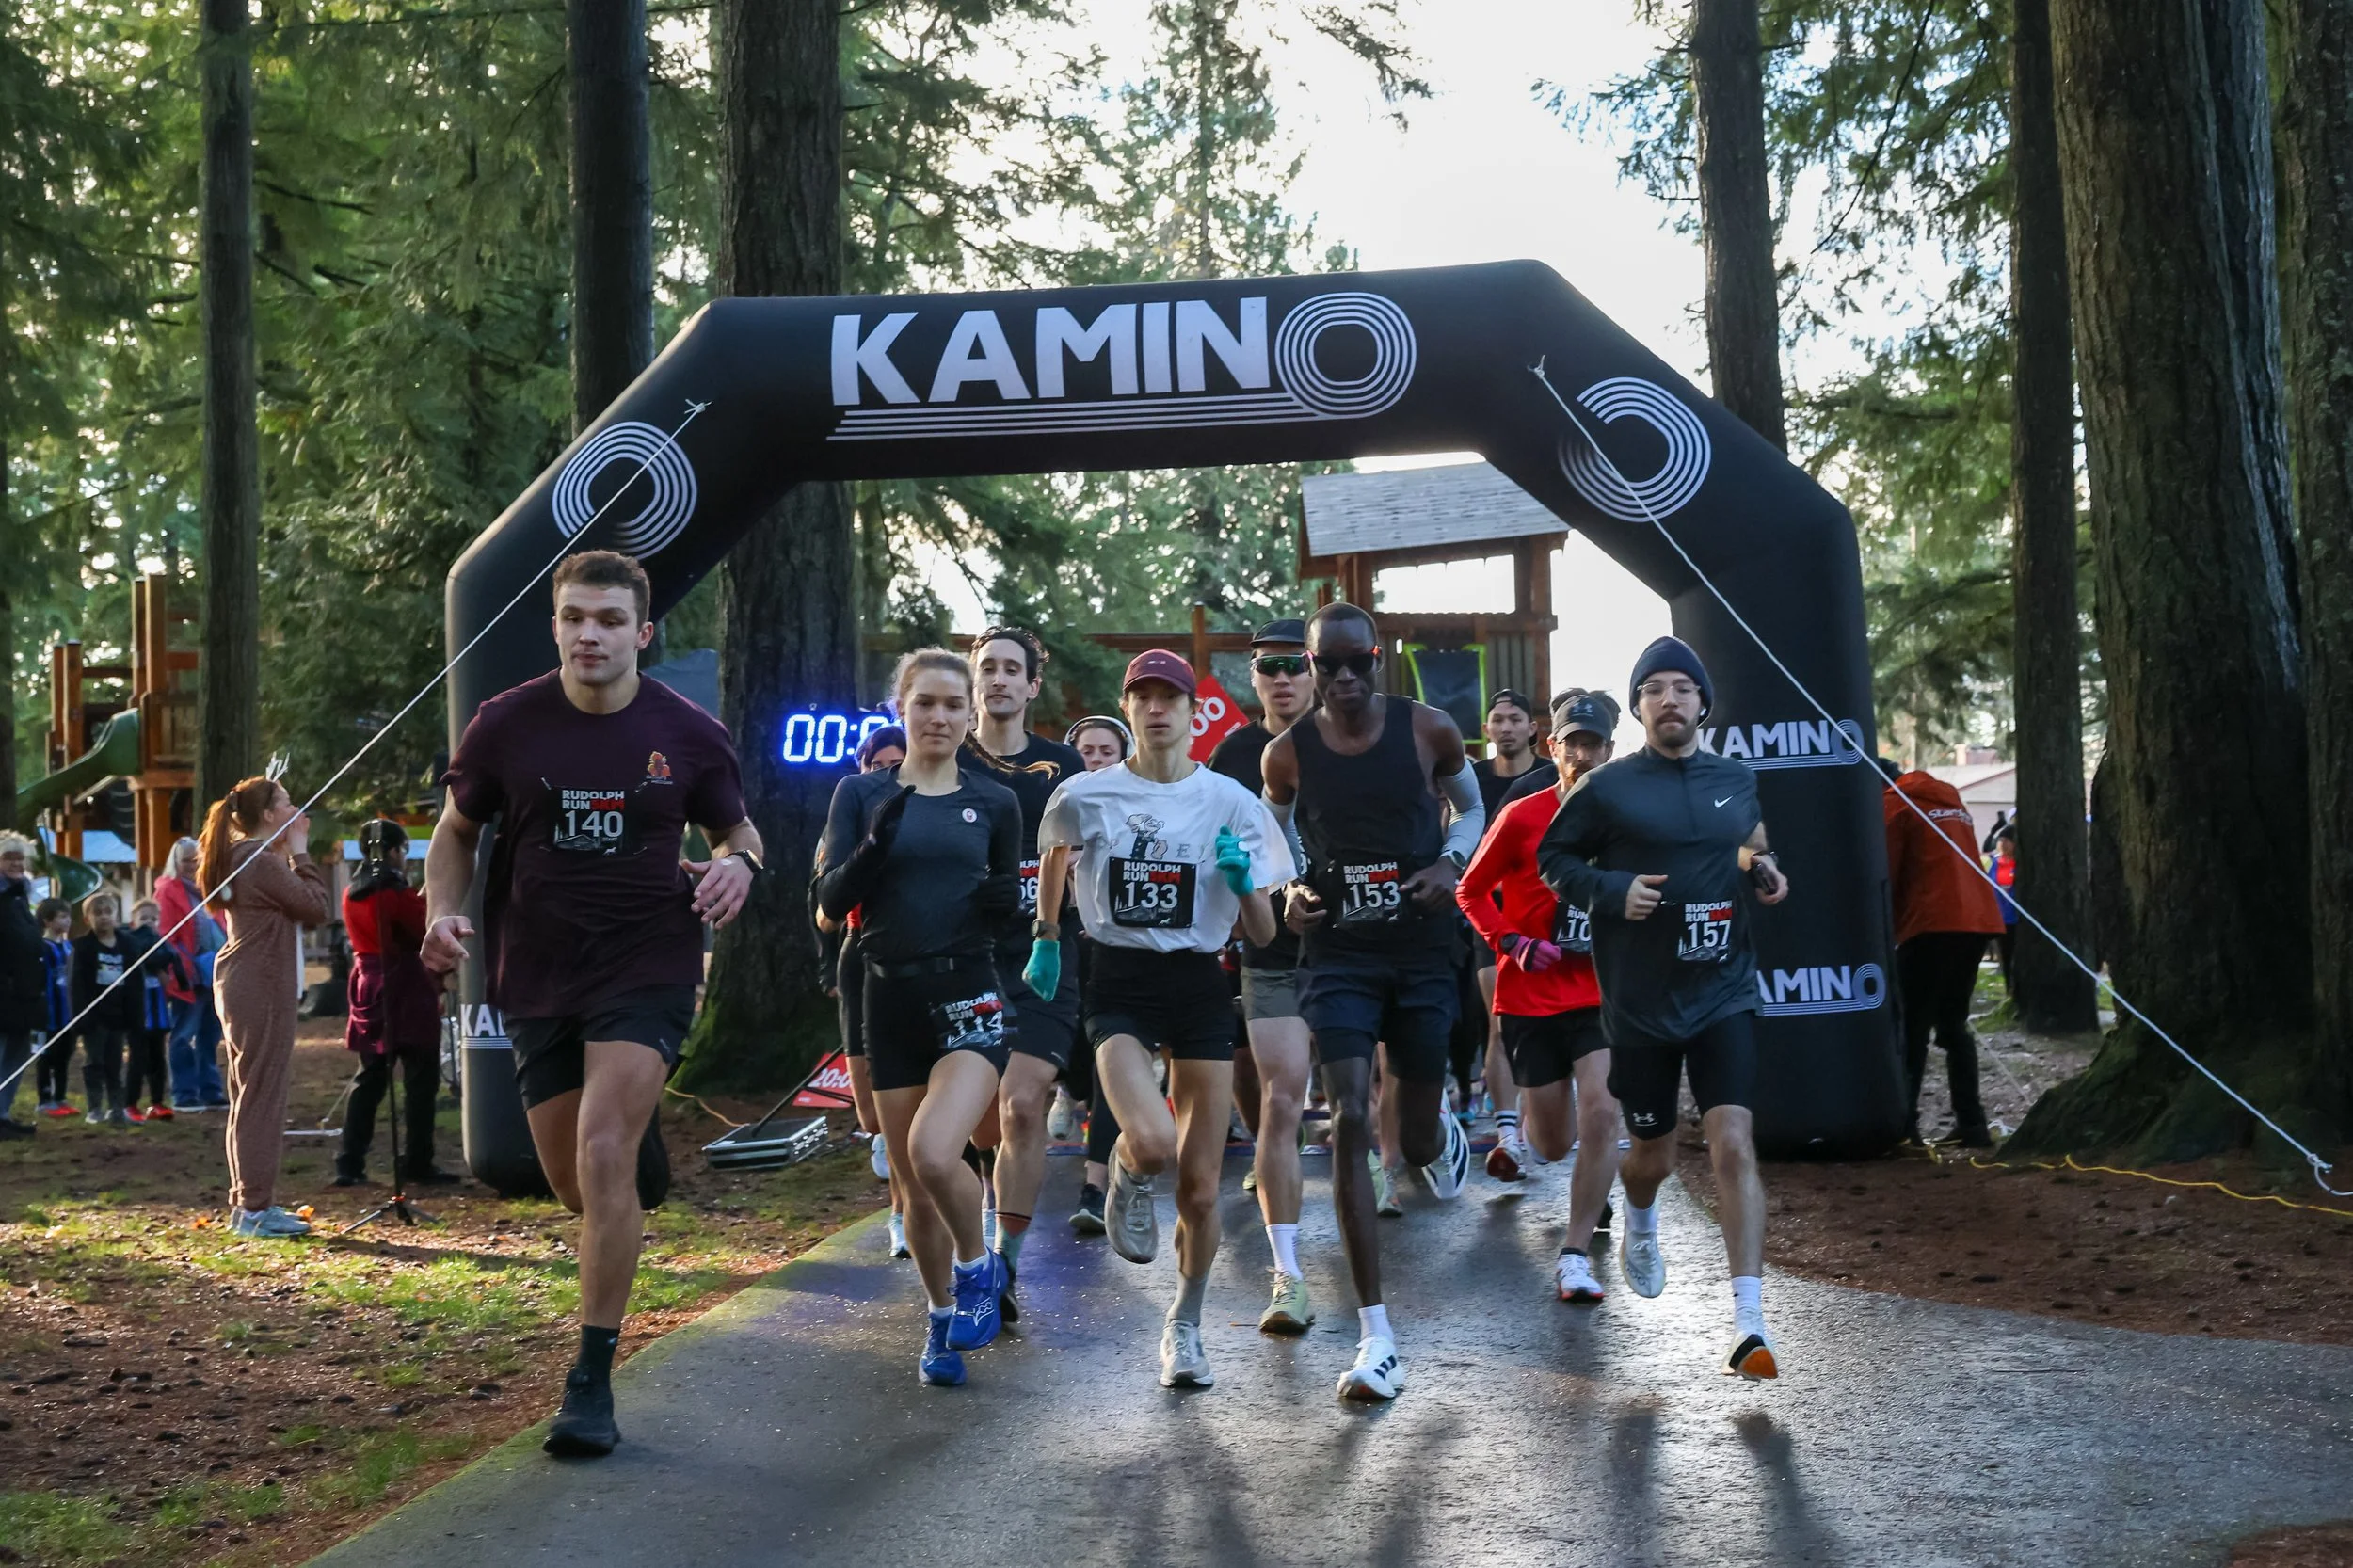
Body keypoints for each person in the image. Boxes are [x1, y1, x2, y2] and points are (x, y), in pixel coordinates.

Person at [423, 549, 761, 1453]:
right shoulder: (505, 725)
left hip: (647, 963)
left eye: (610, 620)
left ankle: (590, 1381)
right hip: (536, 973)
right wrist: (443, 913)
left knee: (603, 1150)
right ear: (556, 627)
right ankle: (634, 1166)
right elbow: (455, 833)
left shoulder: (687, 732)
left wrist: (739, 865)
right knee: (579, 1185)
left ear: (642, 633)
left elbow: (737, 827)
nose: (590, 635)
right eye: (575, 617)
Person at [1031, 649, 1292, 1388]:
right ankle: (1124, 1169)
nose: (1156, 709)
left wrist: (1244, 886)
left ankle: (1185, 1323)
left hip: (1199, 979)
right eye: (1141, 697)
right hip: (1118, 977)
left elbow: (1267, 935)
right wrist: (1048, 935)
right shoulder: (1088, 792)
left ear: (1189, 712)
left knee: (1203, 1188)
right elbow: (1055, 848)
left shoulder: (1232, 801)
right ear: (1129, 707)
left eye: (1169, 697)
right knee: (1149, 1140)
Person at [1536, 636, 1791, 1381]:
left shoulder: (1735, 778)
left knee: (1733, 1141)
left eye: (1683, 687)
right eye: (1655, 689)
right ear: (1641, 706)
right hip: (1641, 1003)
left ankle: (1749, 1324)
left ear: (1702, 703)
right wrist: (1614, 894)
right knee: (1650, 1154)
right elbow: (1557, 861)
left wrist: (1762, 867)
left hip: (1724, 988)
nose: (1670, 699)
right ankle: (1640, 1215)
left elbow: (1746, 839)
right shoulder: (1607, 788)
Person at [1260, 602, 1485, 1401]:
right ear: (1312, 667)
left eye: (1359, 662)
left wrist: (1450, 864)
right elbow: (1275, 830)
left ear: (1378, 657)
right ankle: (1375, 1334)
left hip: (1423, 950)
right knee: (1352, 1114)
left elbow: (1474, 809)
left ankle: (1436, 1135)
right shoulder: (1287, 755)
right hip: (1341, 953)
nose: (1345, 678)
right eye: (1330, 666)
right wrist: (1290, 887)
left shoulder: (1430, 730)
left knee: (1414, 1141)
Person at [816, 648, 1021, 1388]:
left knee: (940, 1151)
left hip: (967, 990)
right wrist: (875, 846)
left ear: (970, 715)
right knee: (913, 1177)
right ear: (900, 707)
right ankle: (939, 1319)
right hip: (887, 994)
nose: (938, 716)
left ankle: (980, 1268)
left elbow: (1010, 905)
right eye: (924, 702)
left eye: (951, 704)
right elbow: (833, 899)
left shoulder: (995, 800)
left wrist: (1012, 908)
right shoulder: (859, 793)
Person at [1459, 693, 1625, 1303]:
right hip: (1530, 995)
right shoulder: (1523, 816)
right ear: (1552, 747)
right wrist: (1513, 942)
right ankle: (1545, 1143)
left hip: (1600, 993)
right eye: (1573, 743)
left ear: (1611, 751)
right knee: (1554, 1144)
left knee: (1604, 1109)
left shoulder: (1626, 819)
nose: (1582, 755)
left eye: (1594, 744)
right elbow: (1471, 892)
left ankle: (1576, 1256)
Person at [1204, 617, 1323, 1332]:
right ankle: (1289, 1276)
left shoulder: (1349, 739)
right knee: (1282, 1099)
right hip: (1269, 947)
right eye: (1268, 668)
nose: (1282, 679)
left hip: (1354, 953)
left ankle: (1405, 1139)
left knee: (1357, 1097)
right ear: (1255, 679)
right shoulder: (1236, 752)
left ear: (1315, 673)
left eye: (1293, 666)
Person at [965, 627, 1087, 1326]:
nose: (1001, 680)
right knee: (982, 1121)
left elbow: (1087, 843)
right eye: (989, 669)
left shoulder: (1061, 763)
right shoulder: (952, 755)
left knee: (1021, 1102)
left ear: (1033, 686)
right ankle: (986, 1219)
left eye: (1014, 670)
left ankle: (1004, 1263)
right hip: (968, 954)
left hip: (1046, 952)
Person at [201, 776, 331, 1232]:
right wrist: (300, 851)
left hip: (242, 980)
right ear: (270, 814)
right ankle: (255, 1209)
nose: (296, 811)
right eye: (287, 803)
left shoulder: (242, 858)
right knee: (262, 1095)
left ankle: (248, 1202)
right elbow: (317, 908)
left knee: (247, 1092)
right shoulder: (257, 859)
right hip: (262, 982)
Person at [1879, 760, 2008, 1147]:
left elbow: (1887, 872)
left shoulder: (1894, 802)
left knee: (1912, 1029)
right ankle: (1972, 1125)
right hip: (1977, 923)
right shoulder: (1950, 800)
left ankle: (1905, 1128)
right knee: (1953, 1026)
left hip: (1930, 925)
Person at [824, 724, 911, 1256]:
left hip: (916, 954)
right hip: (857, 952)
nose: (887, 776)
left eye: (895, 766)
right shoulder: (849, 814)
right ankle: (883, 1145)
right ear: (862, 769)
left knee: (911, 1103)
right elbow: (824, 909)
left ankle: (906, 1212)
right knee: (873, 1114)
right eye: (878, 766)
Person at [338, 821, 453, 1186]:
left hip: (368, 985)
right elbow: (424, 931)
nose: (404, 858)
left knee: (370, 1078)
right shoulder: (396, 895)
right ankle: (417, 1162)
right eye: (402, 851)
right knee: (421, 1080)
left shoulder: (351, 894)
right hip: (405, 987)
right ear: (391, 852)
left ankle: (349, 1162)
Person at [1060, 714, 1130, 1233]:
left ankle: (1095, 1185)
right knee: (1080, 1068)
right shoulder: (1060, 811)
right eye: (1088, 750)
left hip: (1115, 959)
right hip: (1062, 957)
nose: (1097, 759)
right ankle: (1067, 1090)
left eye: (1108, 750)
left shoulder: (1137, 811)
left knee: (1109, 1075)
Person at [1470, 689, 1542, 1178]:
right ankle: (1508, 1133)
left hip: (1547, 917)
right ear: (1487, 728)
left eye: (1516, 718)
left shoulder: (1549, 779)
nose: (1507, 726)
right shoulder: (1471, 780)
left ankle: (1546, 1125)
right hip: (1490, 917)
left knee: (1552, 1027)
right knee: (1502, 1023)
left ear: (1535, 729)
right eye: (1498, 719)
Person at [71, 889, 164, 1126]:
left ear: (116, 915)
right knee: (94, 1062)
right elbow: (76, 985)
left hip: (120, 1015)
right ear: (87, 919)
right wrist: (81, 1018)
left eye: (108, 912)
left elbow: (136, 983)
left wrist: (136, 1017)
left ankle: (116, 1108)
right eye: (97, 913)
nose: (103, 917)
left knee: (115, 1063)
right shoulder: (83, 948)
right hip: (94, 1017)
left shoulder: (129, 945)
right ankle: (94, 1108)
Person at [156, 836, 229, 1112]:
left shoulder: (210, 889)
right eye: (186, 860)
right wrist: (184, 964)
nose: (191, 864)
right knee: (184, 1033)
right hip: (188, 974)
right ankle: (184, 1093)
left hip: (214, 972)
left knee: (211, 1034)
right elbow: (166, 934)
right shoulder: (167, 891)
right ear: (175, 862)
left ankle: (210, 1090)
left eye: (195, 859)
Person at [0, 834, 44, 1138]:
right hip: (4, 988)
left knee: (17, 1053)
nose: (16, 863)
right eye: (9, 858)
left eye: (20, 858)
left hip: (24, 991)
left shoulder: (21, 895)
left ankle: (2, 1112)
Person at [122, 899, 182, 1122]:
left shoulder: (163, 946)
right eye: (144, 918)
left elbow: (171, 979)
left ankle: (157, 1102)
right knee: (137, 1059)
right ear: (133, 923)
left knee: (158, 1059)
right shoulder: (129, 946)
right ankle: (130, 1103)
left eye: (153, 919)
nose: (149, 923)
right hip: (138, 1016)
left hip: (158, 1014)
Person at [34, 898, 76, 1116]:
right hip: (47, 1014)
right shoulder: (42, 948)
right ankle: (44, 1100)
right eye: (61, 916)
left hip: (67, 1014)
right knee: (46, 1056)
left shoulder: (69, 947)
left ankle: (60, 1097)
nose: (67, 920)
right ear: (47, 921)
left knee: (64, 1055)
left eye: (68, 916)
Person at [1990, 826, 2020, 993]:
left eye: (2007, 840)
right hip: (2000, 919)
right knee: (2005, 957)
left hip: (2018, 920)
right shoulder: (1994, 863)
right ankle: (2010, 990)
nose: (2003, 844)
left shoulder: (2021, 865)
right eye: (2000, 840)